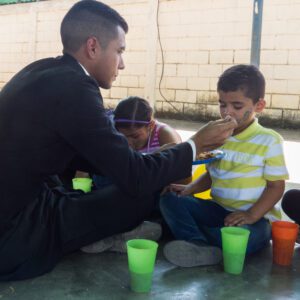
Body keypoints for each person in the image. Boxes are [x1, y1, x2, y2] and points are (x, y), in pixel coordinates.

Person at [0, 0, 237, 280]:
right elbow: (135, 177)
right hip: (15, 234)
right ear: (92, 47)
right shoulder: (76, 88)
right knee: (140, 194)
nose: (122, 63)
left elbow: (97, 156)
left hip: (22, 203)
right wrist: (195, 144)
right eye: (119, 51)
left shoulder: (41, 71)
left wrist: (148, 159)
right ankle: (110, 235)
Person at [160, 64, 289, 268]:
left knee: (247, 239)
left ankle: (203, 237)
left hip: (254, 220)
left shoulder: (269, 140)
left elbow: (276, 187)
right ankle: (198, 244)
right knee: (169, 199)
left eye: (237, 106)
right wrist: (190, 189)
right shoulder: (219, 135)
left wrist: (251, 215)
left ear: (259, 105)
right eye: (222, 104)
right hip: (218, 210)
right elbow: (214, 173)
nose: (227, 112)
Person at [90, 96, 182, 189]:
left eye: (135, 136)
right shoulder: (110, 129)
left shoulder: (165, 135)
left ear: (150, 126)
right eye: (122, 136)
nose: (128, 143)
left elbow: (182, 174)